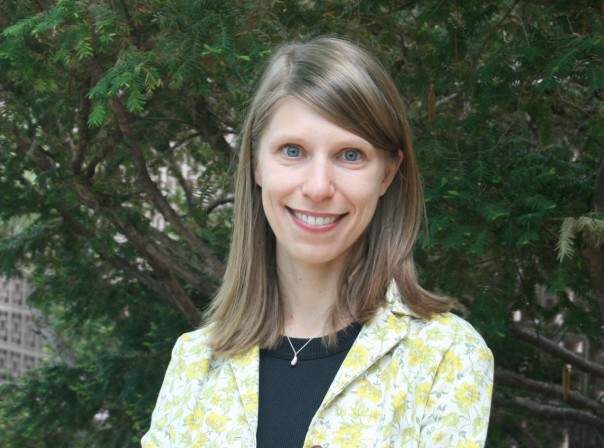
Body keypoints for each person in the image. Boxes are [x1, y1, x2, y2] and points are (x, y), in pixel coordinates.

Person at [142, 36, 493, 448]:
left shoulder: (445, 356)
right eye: (293, 151)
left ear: (386, 173)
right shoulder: (195, 361)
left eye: (350, 155)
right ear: (256, 163)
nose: (319, 186)